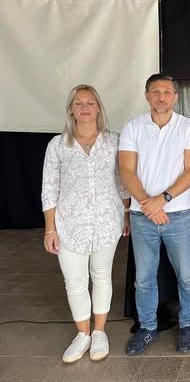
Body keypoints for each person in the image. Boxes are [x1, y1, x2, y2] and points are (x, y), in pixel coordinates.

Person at [42, 85, 130, 363]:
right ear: (71, 109)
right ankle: (83, 334)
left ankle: (100, 331)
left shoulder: (114, 142)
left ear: (99, 108)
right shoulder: (58, 145)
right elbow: (49, 188)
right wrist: (50, 228)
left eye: (90, 102)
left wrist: (126, 214)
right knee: (75, 282)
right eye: (78, 103)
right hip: (69, 225)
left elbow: (122, 181)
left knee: (102, 275)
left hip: (107, 220)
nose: (84, 108)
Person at [119, 74, 190, 355]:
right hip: (142, 216)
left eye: (167, 92)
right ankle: (147, 327)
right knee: (143, 278)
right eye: (156, 91)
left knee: (187, 276)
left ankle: (188, 324)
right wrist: (148, 204)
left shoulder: (188, 127)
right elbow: (126, 171)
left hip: (179, 214)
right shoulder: (132, 127)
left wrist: (162, 200)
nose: (162, 97)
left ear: (175, 97)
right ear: (147, 96)